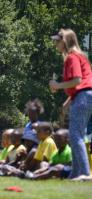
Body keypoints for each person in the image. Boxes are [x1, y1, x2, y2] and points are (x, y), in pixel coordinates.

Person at [49, 28, 92, 179]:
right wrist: (67, 102)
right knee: (76, 135)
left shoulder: (72, 57)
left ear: (65, 41)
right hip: (82, 96)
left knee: (75, 135)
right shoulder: (78, 56)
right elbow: (80, 85)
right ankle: (75, 173)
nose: (55, 43)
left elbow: (77, 81)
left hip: (84, 97)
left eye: (57, 40)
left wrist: (57, 85)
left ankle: (85, 173)